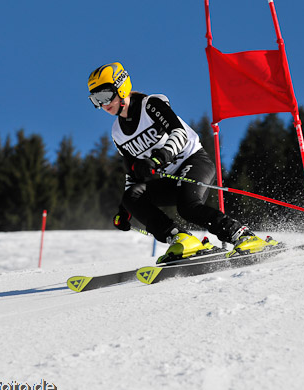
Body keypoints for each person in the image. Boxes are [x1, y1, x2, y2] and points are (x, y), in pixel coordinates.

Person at [87, 62, 279, 262]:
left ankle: (242, 235)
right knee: (132, 196)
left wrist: (157, 159)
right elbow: (132, 173)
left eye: (104, 96)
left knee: (188, 206)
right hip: (170, 177)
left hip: (194, 161)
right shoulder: (117, 133)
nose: (102, 104)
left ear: (121, 86)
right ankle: (182, 239)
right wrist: (125, 210)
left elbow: (178, 133)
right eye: (95, 99)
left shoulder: (151, 105)